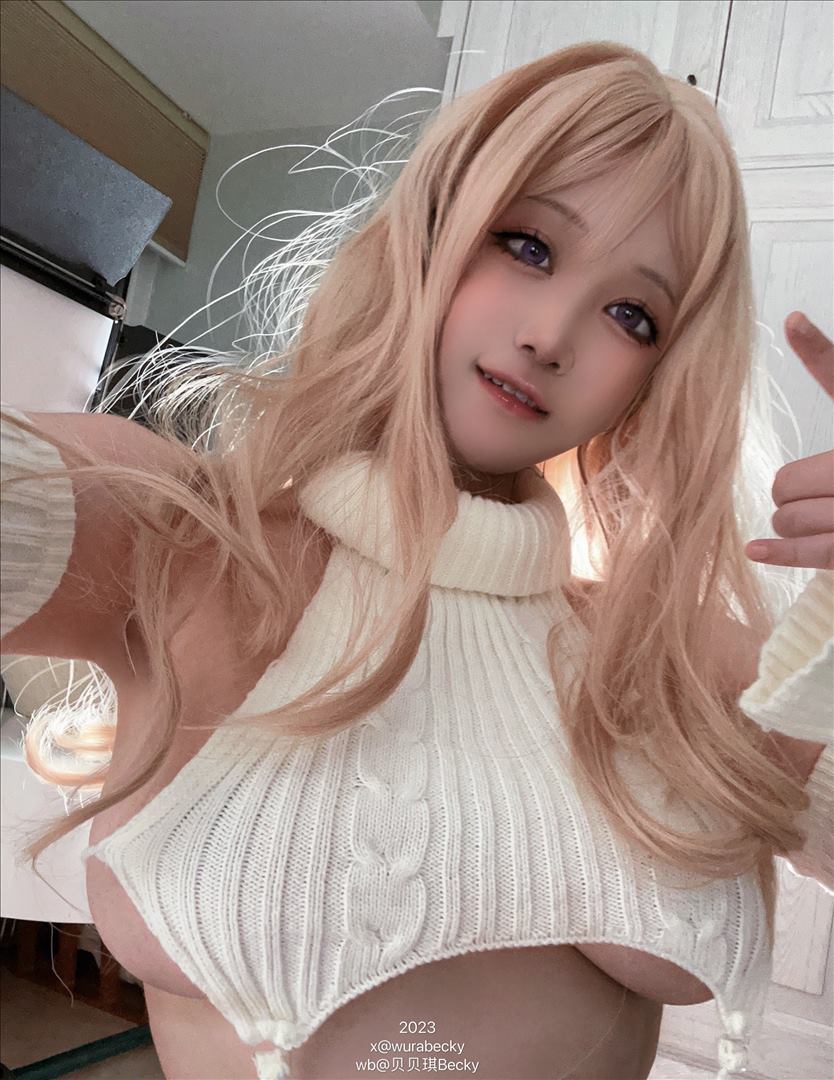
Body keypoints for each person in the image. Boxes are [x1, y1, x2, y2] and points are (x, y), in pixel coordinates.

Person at [1, 39, 832, 1080]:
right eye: (527, 245)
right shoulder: (183, 536)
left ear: (659, 378)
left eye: (633, 314)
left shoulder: (678, 651)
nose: (552, 334)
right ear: (431, 229)